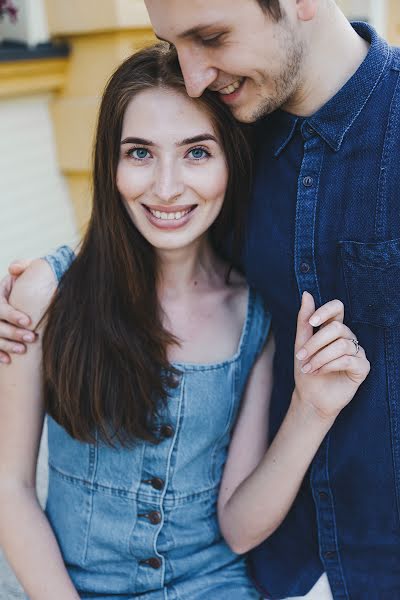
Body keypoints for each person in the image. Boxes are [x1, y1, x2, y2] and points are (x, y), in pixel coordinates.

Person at [0, 0, 394, 597]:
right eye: (138, 153)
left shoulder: (251, 314)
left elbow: (236, 524)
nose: (193, 76)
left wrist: (313, 407)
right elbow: (10, 489)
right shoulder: (47, 294)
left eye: (196, 153)